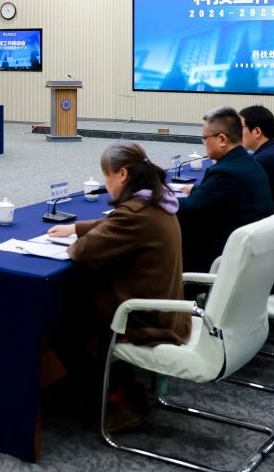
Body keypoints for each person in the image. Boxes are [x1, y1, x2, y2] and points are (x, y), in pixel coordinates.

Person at [46, 142, 189, 431]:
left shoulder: (135, 213)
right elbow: (114, 222)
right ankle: (128, 389)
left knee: (62, 325)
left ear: (122, 174)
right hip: (167, 308)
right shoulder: (156, 200)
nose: (105, 183)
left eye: (107, 175)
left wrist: (77, 240)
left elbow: (83, 251)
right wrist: (76, 228)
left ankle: (113, 403)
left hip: (146, 320)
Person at [174, 107, 274, 273]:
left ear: (222, 139)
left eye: (205, 138)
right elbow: (213, 198)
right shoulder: (249, 163)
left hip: (221, 262)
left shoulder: (225, 172)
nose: (204, 143)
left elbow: (188, 209)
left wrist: (156, 199)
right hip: (252, 258)